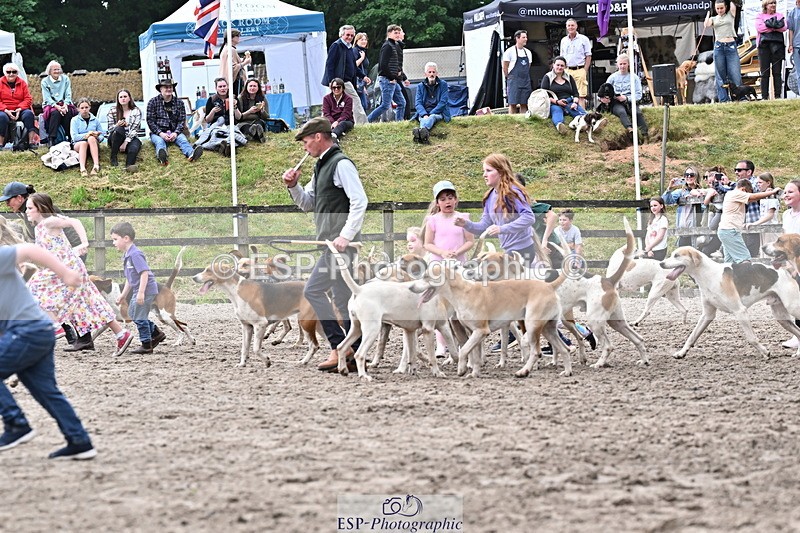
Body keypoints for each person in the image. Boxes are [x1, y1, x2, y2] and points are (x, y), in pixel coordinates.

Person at [282, 117, 368, 372]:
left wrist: (346, 235)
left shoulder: (341, 164)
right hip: (331, 245)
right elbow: (308, 203)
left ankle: (338, 346)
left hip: (340, 247)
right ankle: (355, 352)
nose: (304, 146)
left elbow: (360, 201)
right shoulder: (320, 167)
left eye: (306, 141)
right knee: (342, 301)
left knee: (313, 291)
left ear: (318, 137)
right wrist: (293, 186)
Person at [0, 242, 98, 460]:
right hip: (40, 332)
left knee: (47, 391)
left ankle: (16, 423)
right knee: (47, 391)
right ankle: (79, 441)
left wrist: (65, 273)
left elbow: (30, 250)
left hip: (28, 332)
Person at [25, 193, 134, 354]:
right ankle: (121, 334)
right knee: (89, 302)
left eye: (30, 208)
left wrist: (84, 243)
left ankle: (54, 325)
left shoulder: (49, 221)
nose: (26, 211)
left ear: (40, 209)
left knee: (32, 287)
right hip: (66, 267)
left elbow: (75, 222)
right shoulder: (39, 228)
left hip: (67, 268)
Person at [1, 182, 84, 347]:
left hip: (66, 257)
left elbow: (61, 232)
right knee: (56, 296)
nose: (7, 204)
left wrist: (77, 250)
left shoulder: (37, 210)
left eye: (9, 200)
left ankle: (73, 332)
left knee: (60, 296)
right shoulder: (28, 212)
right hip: (57, 258)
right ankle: (73, 334)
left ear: (19, 198)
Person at [424, 180, 473, 355]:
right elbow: (427, 243)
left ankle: (464, 342)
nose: (447, 202)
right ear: (437, 203)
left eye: (450, 198)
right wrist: (443, 252)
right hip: (438, 265)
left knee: (460, 304)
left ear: (456, 200)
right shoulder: (433, 220)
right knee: (440, 305)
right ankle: (441, 345)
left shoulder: (463, 218)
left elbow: (470, 241)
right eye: (443, 199)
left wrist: (457, 252)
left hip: (458, 265)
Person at [110, 222, 166, 355]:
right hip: (138, 290)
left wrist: (141, 292)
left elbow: (144, 273)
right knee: (133, 313)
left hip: (145, 290)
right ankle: (156, 333)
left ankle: (146, 344)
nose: (113, 243)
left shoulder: (135, 254)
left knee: (140, 317)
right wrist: (123, 295)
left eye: (115, 239)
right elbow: (130, 278)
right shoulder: (127, 255)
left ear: (126, 238)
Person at [717, 178, 778, 263]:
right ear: (743, 189)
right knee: (745, 259)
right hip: (730, 231)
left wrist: (766, 193)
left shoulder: (731, 194)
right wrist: (773, 192)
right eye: (747, 192)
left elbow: (753, 199)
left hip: (725, 230)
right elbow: (754, 197)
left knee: (730, 262)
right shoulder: (737, 193)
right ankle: (747, 272)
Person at [146, 78, 203, 166]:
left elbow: (181, 121)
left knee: (183, 140)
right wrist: (161, 133)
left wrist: (175, 133)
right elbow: (150, 121)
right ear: (160, 89)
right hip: (158, 133)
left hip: (175, 131)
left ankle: (192, 154)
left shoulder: (179, 103)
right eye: (166, 87)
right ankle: (162, 158)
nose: (169, 89)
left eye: (171, 87)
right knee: (159, 142)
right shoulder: (152, 102)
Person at [322, 25, 367, 125]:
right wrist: (331, 81)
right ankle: (362, 123)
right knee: (355, 100)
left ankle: (325, 123)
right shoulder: (336, 46)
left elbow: (353, 66)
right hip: (341, 81)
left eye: (352, 35)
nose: (349, 37)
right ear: (341, 35)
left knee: (334, 103)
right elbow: (330, 64)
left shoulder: (349, 47)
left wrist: (363, 76)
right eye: (347, 35)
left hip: (346, 80)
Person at [600, 54, 647, 140]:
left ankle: (645, 135)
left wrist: (626, 98)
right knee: (621, 112)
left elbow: (639, 95)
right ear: (617, 64)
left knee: (637, 113)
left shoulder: (634, 78)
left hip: (630, 101)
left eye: (624, 64)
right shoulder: (612, 77)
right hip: (616, 102)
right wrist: (604, 99)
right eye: (620, 64)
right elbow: (603, 91)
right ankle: (630, 129)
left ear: (628, 64)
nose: (622, 66)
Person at [367, 24, 407, 123]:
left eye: (398, 33)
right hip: (387, 79)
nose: (397, 35)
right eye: (395, 33)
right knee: (385, 105)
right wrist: (391, 77)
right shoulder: (387, 46)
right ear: (389, 34)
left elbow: (396, 64)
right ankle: (367, 120)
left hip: (393, 80)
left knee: (402, 102)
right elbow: (383, 65)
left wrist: (401, 77)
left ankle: (399, 123)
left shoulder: (394, 45)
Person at [704, 0, 742, 102]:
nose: (720, 10)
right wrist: (708, 13)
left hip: (731, 46)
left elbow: (733, 4)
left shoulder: (730, 15)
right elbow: (706, 24)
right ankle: (724, 99)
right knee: (720, 75)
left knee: (735, 73)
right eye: (717, 8)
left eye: (721, 8)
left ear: (725, 7)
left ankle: (738, 97)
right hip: (719, 47)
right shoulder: (714, 18)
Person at [541, 56, 587, 135]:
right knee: (557, 111)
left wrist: (575, 103)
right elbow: (543, 95)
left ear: (565, 67)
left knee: (581, 113)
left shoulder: (569, 77)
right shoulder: (547, 77)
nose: (559, 67)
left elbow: (575, 93)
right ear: (553, 65)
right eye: (558, 65)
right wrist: (557, 102)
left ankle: (589, 125)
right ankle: (559, 126)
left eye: (562, 66)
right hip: (554, 103)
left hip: (568, 102)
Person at [663, 166, 705, 247]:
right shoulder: (680, 192)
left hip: (697, 231)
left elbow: (704, 208)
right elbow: (666, 201)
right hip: (683, 232)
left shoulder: (702, 191)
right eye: (686, 175)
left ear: (696, 176)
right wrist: (669, 188)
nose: (689, 177)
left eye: (691, 175)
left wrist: (694, 197)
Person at [780, 179, 800, 349]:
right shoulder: (786, 215)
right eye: (785, 192)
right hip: (793, 262)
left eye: (790, 192)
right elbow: (785, 240)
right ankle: (798, 335)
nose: (786, 195)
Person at [755, 0, 788, 99]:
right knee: (764, 73)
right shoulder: (760, 16)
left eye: (774, 3)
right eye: (771, 3)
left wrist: (769, 25)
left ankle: (778, 96)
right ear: (765, 5)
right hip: (764, 47)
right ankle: (764, 96)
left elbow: (784, 27)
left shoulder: (780, 15)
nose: (773, 5)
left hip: (777, 47)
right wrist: (775, 26)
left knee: (777, 72)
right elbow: (760, 28)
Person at [0, 63, 37, 148]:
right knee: (1, 117)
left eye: (14, 72)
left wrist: (19, 108)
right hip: (4, 110)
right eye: (8, 72)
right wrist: (6, 110)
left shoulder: (22, 83)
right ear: (4, 73)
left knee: (29, 114)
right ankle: (0, 144)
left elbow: (28, 98)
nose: (11, 74)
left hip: (20, 109)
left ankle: (31, 142)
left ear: (17, 73)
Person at [40, 61, 77, 146]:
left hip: (64, 103)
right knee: (55, 113)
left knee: (68, 112)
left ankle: (69, 137)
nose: (57, 71)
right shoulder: (45, 81)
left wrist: (65, 105)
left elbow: (68, 94)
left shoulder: (66, 79)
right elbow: (47, 97)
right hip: (51, 104)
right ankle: (51, 138)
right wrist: (56, 106)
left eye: (58, 69)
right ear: (49, 71)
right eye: (54, 70)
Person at [412, 63, 450, 144]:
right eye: (429, 72)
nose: (431, 74)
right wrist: (424, 114)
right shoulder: (420, 86)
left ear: (437, 73)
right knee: (423, 118)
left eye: (433, 72)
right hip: (424, 112)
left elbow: (443, 102)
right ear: (425, 74)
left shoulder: (443, 84)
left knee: (432, 117)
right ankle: (423, 135)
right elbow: (418, 103)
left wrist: (430, 114)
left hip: (438, 112)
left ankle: (421, 133)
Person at [106, 89, 143, 172]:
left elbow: (135, 129)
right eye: (121, 97)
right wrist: (117, 125)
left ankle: (129, 166)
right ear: (118, 99)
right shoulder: (112, 110)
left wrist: (125, 142)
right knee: (119, 129)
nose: (123, 98)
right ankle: (113, 157)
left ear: (129, 98)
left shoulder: (136, 111)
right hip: (114, 138)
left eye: (125, 96)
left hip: (130, 137)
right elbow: (110, 129)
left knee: (134, 148)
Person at [559, 19, 592, 109]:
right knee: (567, 95)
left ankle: (582, 115)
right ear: (566, 27)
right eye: (569, 25)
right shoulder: (563, 40)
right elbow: (561, 57)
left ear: (576, 26)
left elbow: (588, 56)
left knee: (581, 96)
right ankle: (569, 114)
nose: (571, 27)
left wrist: (585, 70)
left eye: (572, 25)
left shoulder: (584, 39)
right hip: (567, 70)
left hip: (579, 69)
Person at [745, 172, 781, 252]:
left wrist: (755, 223)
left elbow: (770, 215)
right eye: (757, 183)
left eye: (760, 182)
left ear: (768, 183)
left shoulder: (772, 196)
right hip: (763, 229)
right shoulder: (764, 196)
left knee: (770, 251)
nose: (758, 185)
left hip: (771, 230)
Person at [70, 97, 105, 177]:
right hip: (78, 145)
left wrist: (97, 136)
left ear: (89, 107)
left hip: (93, 143)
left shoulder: (95, 120)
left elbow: (102, 135)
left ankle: (96, 166)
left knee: (91, 138)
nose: (84, 110)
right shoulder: (74, 120)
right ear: (78, 109)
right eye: (82, 108)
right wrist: (86, 135)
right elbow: (74, 137)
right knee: (83, 143)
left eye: (86, 107)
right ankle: (82, 168)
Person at [734, 160, 763, 256]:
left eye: (739, 170)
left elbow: (752, 190)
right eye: (735, 170)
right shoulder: (737, 184)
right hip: (741, 223)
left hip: (753, 222)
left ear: (749, 172)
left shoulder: (756, 182)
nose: (736, 172)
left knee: (751, 252)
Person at [502, 30, 533, 115]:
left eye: (526, 37)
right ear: (517, 38)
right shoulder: (509, 51)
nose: (526, 39)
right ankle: (512, 120)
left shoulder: (528, 52)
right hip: (514, 80)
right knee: (513, 103)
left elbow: (528, 66)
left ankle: (523, 120)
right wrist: (508, 77)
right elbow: (505, 66)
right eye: (523, 37)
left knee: (524, 103)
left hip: (525, 81)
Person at [218, 29, 251, 96]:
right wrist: (245, 62)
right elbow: (233, 68)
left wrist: (242, 62)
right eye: (237, 36)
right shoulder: (231, 50)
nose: (239, 38)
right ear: (231, 38)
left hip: (228, 82)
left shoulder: (226, 48)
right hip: (233, 83)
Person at [236, 78, 269, 143]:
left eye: (254, 86)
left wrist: (262, 111)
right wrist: (249, 111)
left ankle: (256, 134)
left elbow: (267, 117)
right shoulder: (240, 98)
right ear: (246, 87)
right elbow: (239, 117)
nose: (252, 88)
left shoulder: (262, 98)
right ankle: (256, 135)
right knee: (247, 127)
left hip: (257, 121)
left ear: (258, 88)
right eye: (250, 86)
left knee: (258, 125)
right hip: (244, 122)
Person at [353, 32, 372, 113]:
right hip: (356, 81)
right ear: (356, 41)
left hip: (361, 82)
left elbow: (363, 69)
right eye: (361, 40)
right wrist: (361, 58)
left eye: (365, 39)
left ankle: (362, 120)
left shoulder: (362, 51)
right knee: (361, 105)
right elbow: (353, 65)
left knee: (364, 105)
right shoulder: (355, 51)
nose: (364, 41)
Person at [788, 0, 800, 93]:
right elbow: (790, 30)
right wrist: (790, 44)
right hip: (797, 45)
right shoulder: (792, 13)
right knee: (799, 72)